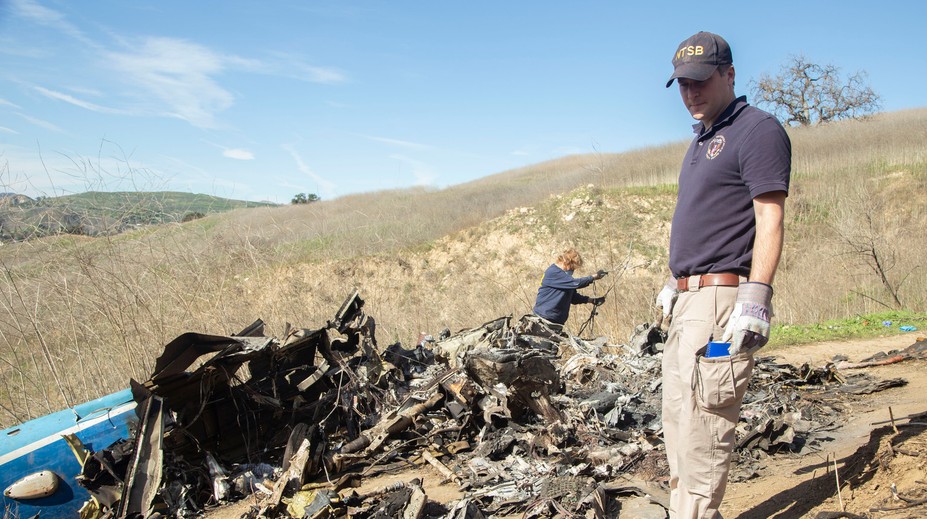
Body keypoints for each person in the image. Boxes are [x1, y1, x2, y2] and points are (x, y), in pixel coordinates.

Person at [657, 31, 791, 518]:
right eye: (683, 84)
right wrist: (675, 280)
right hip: (688, 303)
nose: (691, 92)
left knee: (704, 428)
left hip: (719, 305)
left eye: (700, 81)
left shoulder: (757, 130)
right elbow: (705, 219)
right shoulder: (702, 138)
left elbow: (769, 217)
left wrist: (756, 297)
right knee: (678, 426)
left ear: (729, 74)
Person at [532, 248, 607, 327]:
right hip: (543, 320)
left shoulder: (565, 279)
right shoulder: (553, 272)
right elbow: (576, 284)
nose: (572, 270)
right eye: (572, 268)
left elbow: (573, 298)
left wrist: (592, 300)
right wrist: (594, 277)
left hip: (556, 323)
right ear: (566, 262)